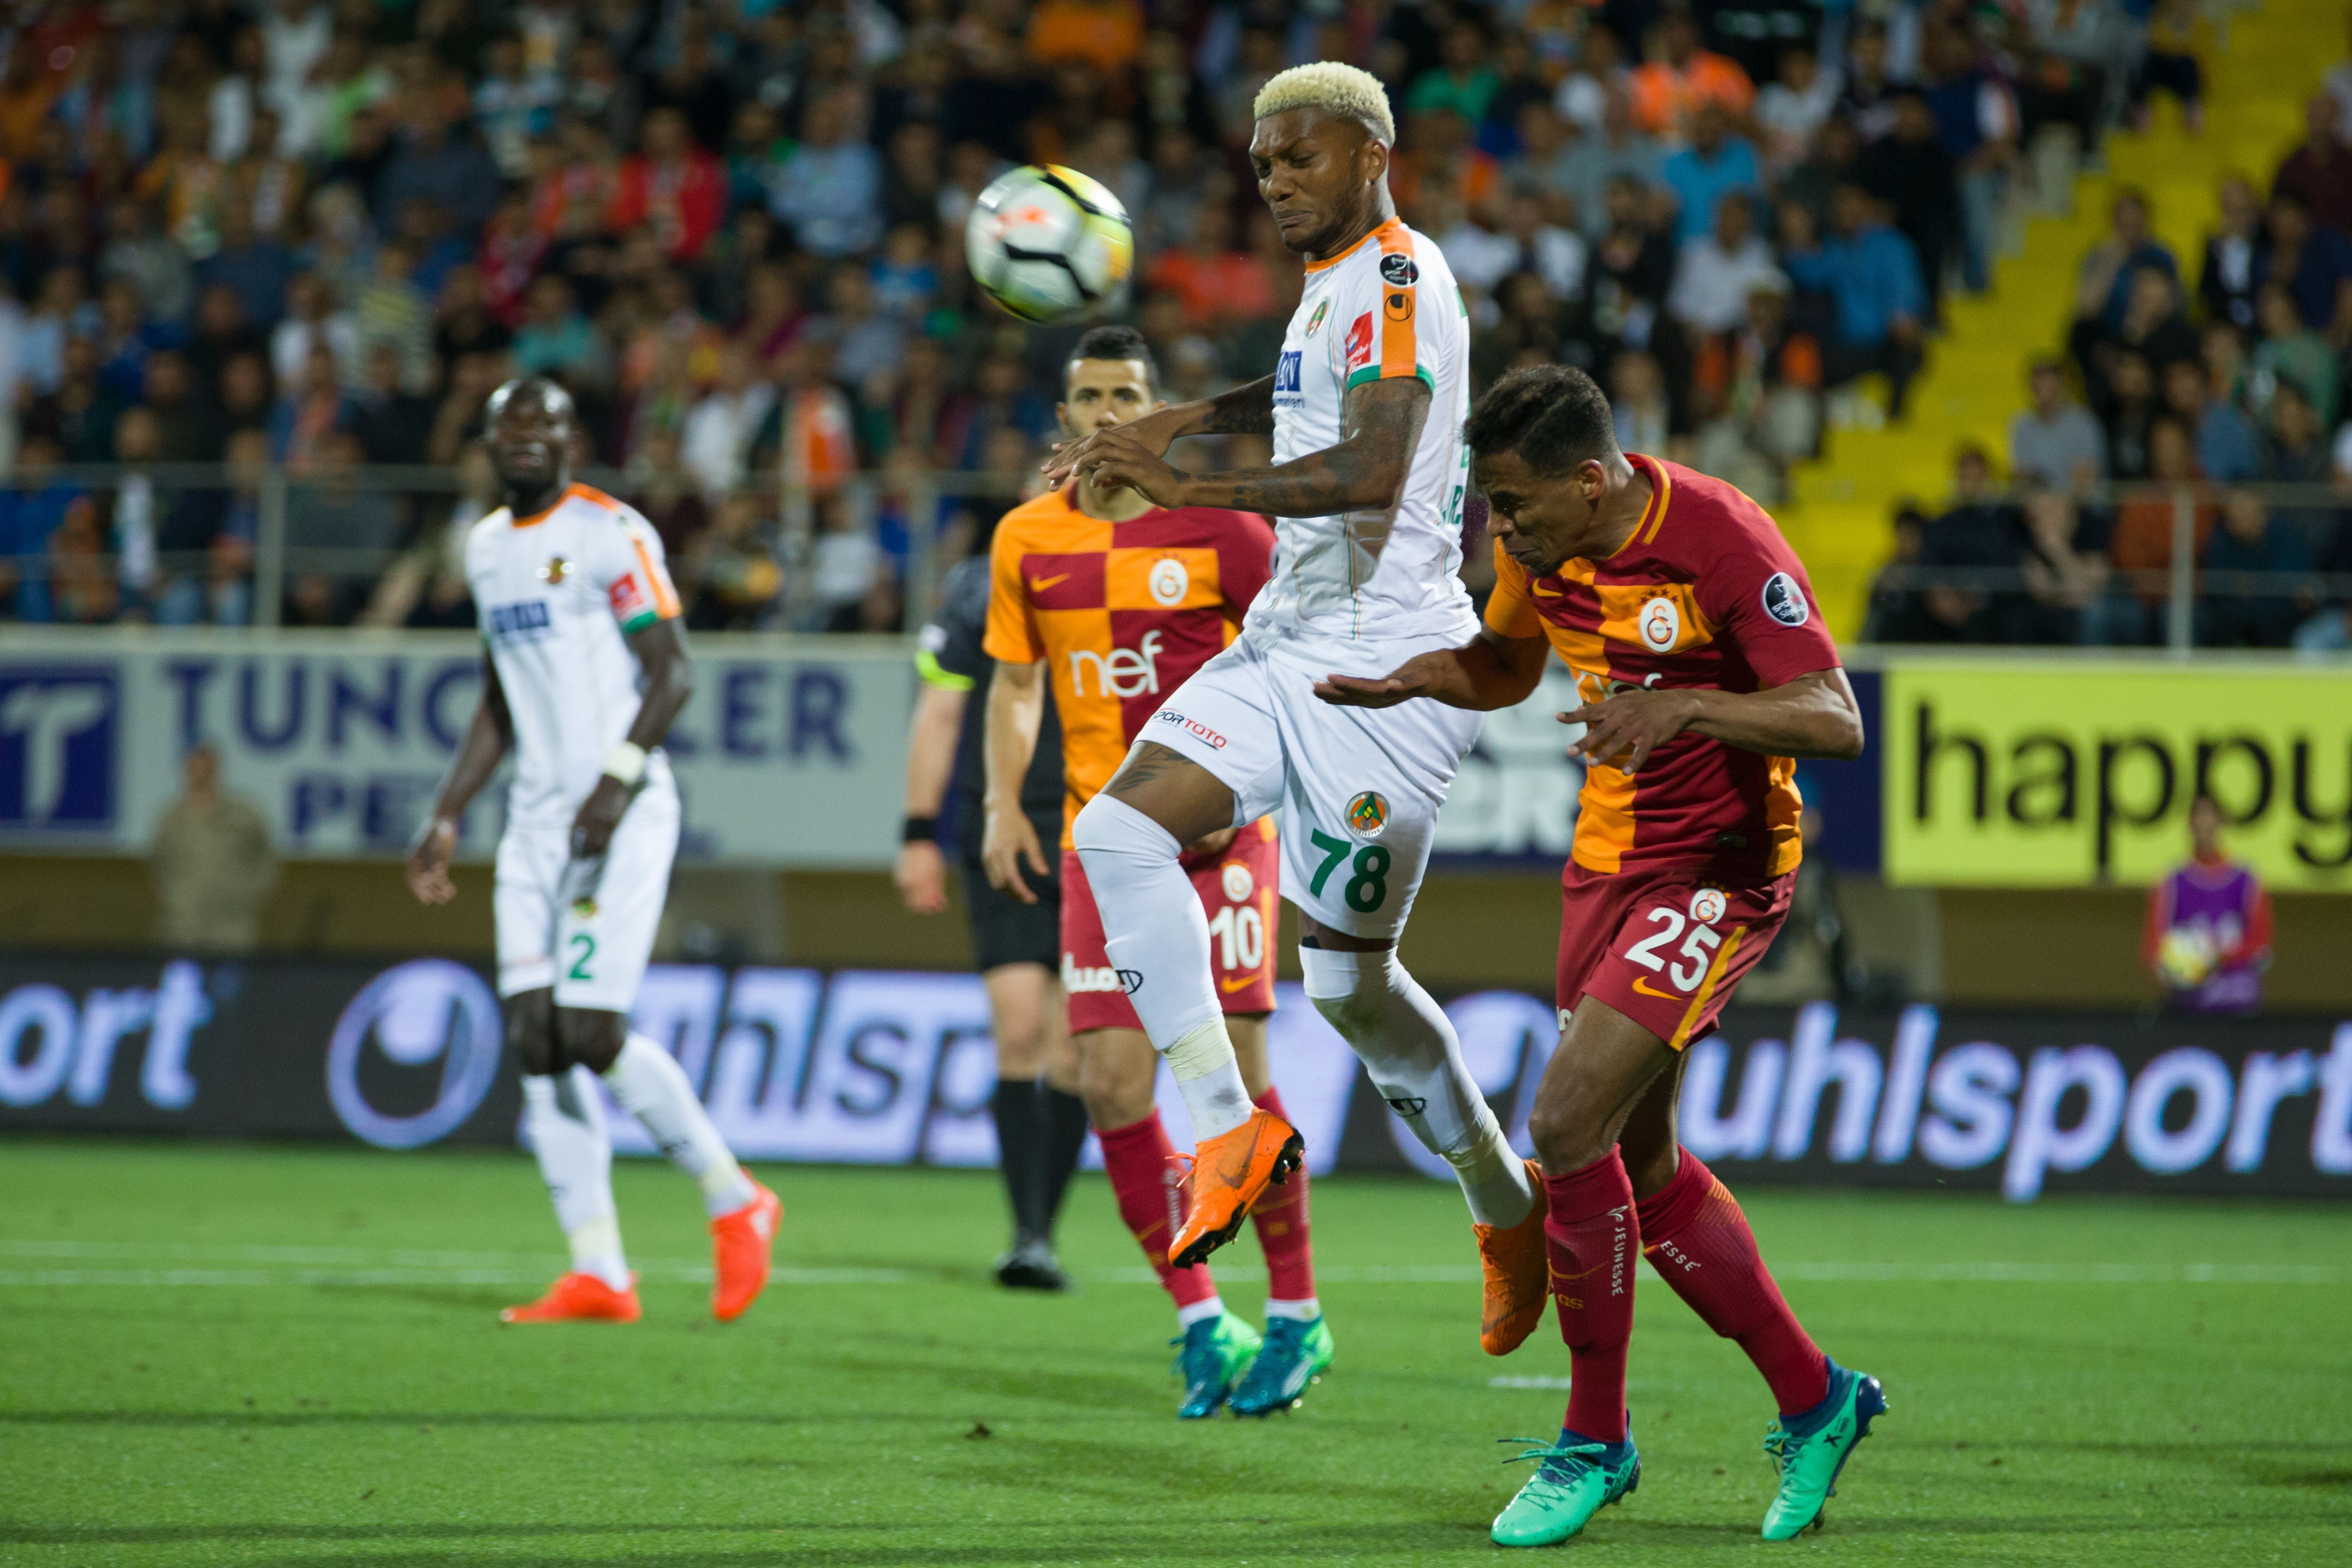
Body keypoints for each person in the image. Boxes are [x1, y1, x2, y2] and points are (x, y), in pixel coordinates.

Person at [1315, 364, 1878, 1546]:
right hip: (1605, 867)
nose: (1496, 531)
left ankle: (1593, 1438)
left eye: (1512, 506)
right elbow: (1505, 666)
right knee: (1640, 1155)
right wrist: (1417, 679)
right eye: (1487, 508)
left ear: (1590, 479)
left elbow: (1832, 716)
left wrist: (1685, 708)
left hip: (1720, 870)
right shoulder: (1539, 544)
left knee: (1563, 1122)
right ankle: (1816, 1396)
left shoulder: (1719, 536)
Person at [1042, 62, 1537, 1343]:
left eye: (1299, 159)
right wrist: (1181, 424)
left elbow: (1373, 465)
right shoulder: (1331, 290)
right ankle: (1229, 1126)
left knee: (1350, 990)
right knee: (1114, 832)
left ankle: (1499, 1194)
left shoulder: (1395, 276)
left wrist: (1186, 483)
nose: (1274, 184)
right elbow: (1299, 398)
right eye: (1262, 166)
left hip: (1386, 672)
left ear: (1370, 156)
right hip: (1287, 644)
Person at [985, 326, 1324, 1419]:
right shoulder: (1025, 538)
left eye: (1124, 393)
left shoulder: (1222, 528)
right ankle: (1198, 1321)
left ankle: (1294, 1312)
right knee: (1111, 1082)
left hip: (1218, 834)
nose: (1103, 412)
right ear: (1063, 417)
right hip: (1100, 838)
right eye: (1086, 396)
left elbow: (1293, 662)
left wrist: (1257, 793)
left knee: (1238, 1070)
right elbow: (1013, 686)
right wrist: (1000, 800)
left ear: (1155, 406)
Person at [405, 378, 780, 1326]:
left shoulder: (613, 533)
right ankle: (600, 1271)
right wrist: (449, 811)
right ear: (491, 442)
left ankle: (735, 1198)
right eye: (512, 425)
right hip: (534, 825)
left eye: (547, 424)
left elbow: (674, 671)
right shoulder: (486, 548)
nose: (528, 438)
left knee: (589, 1031)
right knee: (535, 1039)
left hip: (622, 812)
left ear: (573, 441)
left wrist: (615, 779)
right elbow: (501, 693)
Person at [894, 545, 1090, 1294]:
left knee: (1074, 1052)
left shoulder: (1136, 568)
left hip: (1096, 833)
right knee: (1018, 1031)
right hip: (1004, 831)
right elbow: (940, 713)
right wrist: (918, 833)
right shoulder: (980, 588)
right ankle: (1026, 1233)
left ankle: (1044, 1231)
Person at [2144, 793, 2271, 1013]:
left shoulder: (2246, 878)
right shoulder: (2172, 880)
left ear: (2221, 824)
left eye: (2210, 817)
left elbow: (2261, 947)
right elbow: (2153, 948)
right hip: (2188, 1007)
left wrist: (2214, 957)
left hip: (2237, 1004)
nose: (2204, 825)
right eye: (2199, 817)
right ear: (2190, 825)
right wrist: (2178, 968)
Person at [149, 744, 277, 953]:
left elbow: (265, 858)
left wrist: (250, 895)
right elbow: (159, 864)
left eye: (206, 766)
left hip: (232, 923)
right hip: (184, 923)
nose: (201, 773)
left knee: (230, 982)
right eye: (195, 767)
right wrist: (176, 896)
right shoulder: (172, 819)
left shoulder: (243, 814)